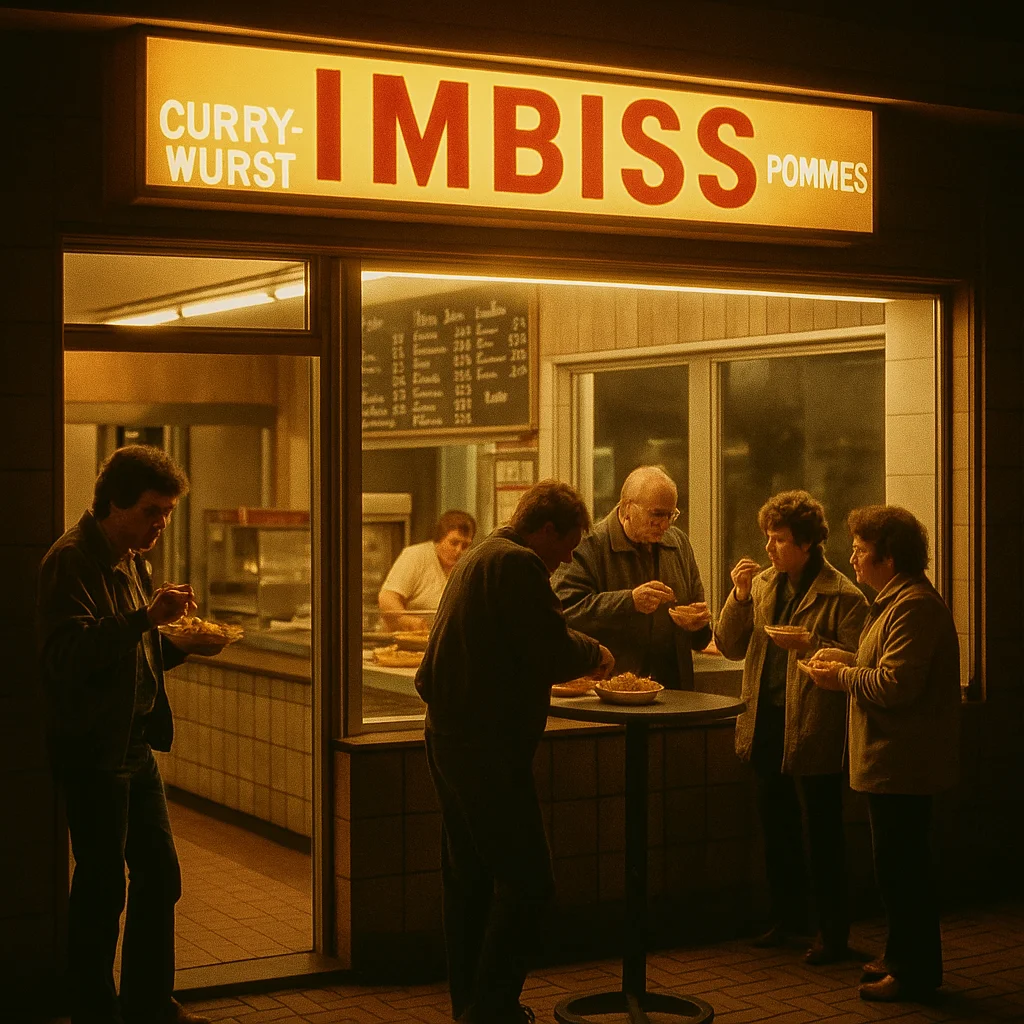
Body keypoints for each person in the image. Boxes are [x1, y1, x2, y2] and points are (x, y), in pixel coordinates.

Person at [37, 446, 225, 1024]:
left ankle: (147, 999)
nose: (159, 524)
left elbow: (132, 657)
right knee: (101, 884)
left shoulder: (133, 562)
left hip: (133, 742)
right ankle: (93, 1004)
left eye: (166, 513)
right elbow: (69, 655)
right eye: (151, 512)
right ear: (113, 502)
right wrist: (147, 619)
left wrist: (179, 645)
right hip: (94, 747)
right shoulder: (73, 560)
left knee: (159, 874)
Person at [415, 480, 614, 1024]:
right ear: (545, 529)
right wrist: (594, 651)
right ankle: (495, 1007)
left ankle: (470, 1005)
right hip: (486, 746)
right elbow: (548, 646)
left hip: (447, 734)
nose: (568, 558)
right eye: (568, 544)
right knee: (529, 881)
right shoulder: (519, 564)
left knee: (468, 878)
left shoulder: (480, 554)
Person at [805, 505, 960, 1003]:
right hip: (892, 762)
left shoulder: (912, 606)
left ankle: (913, 971)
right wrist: (846, 657)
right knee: (895, 866)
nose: (852, 558)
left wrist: (842, 678)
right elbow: (886, 665)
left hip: (902, 763)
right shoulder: (895, 602)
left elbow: (897, 685)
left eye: (860, 550)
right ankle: (900, 956)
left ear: (887, 557)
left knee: (902, 870)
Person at [715, 490, 868, 963]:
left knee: (823, 830)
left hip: (813, 726)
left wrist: (812, 642)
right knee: (775, 826)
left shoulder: (842, 594)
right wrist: (738, 597)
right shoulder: (763, 585)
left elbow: (859, 658)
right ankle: (786, 918)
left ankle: (832, 931)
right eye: (767, 538)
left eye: (779, 540)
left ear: (807, 543)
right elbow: (729, 644)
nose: (769, 548)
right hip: (766, 719)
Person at [552, 465, 711, 690]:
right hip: (607, 692)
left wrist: (698, 625)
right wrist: (629, 602)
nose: (665, 525)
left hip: (673, 693)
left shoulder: (678, 544)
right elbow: (564, 614)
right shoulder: (588, 546)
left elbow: (700, 634)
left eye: (671, 515)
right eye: (656, 514)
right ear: (627, 508)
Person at [378, 509, 477, 631]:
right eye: (453, 543)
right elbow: (387, 597)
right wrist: (406, 619)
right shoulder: (415, 556)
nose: (458, 550)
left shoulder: (467, 568)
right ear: (440, 538)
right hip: (402, 641)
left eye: (465, 546)